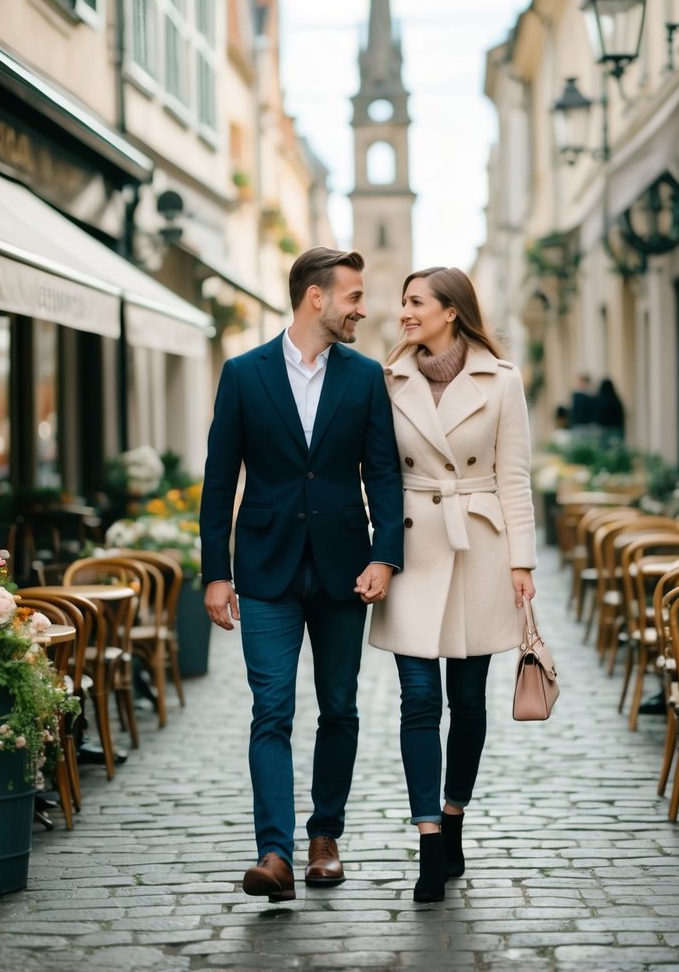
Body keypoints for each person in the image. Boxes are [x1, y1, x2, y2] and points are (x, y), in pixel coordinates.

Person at [200, 247, 404, 903]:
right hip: (264, 569)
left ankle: (324, 838)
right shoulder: (242, 373)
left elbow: (384, 473)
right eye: (353, 296)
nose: (362, 309)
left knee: (339, 707)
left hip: (346, 570)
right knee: (272, 709)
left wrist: (383, 554)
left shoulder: (365, 376)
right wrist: (215, 572)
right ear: (315, 298)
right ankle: (274, 852)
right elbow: (217, 479)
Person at [368, 266, 537, 902]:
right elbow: (377, 473)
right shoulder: (388, 380)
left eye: (415, 302)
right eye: (403, 301)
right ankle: (429, 840)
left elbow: (514, 476)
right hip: (412, 545)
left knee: (467, 703)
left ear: (451, 311)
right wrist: (375, 549)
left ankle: (456, 810)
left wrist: (523, 562)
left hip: (481, 547)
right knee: (418, 701)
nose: (404, 312)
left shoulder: (502, 379)